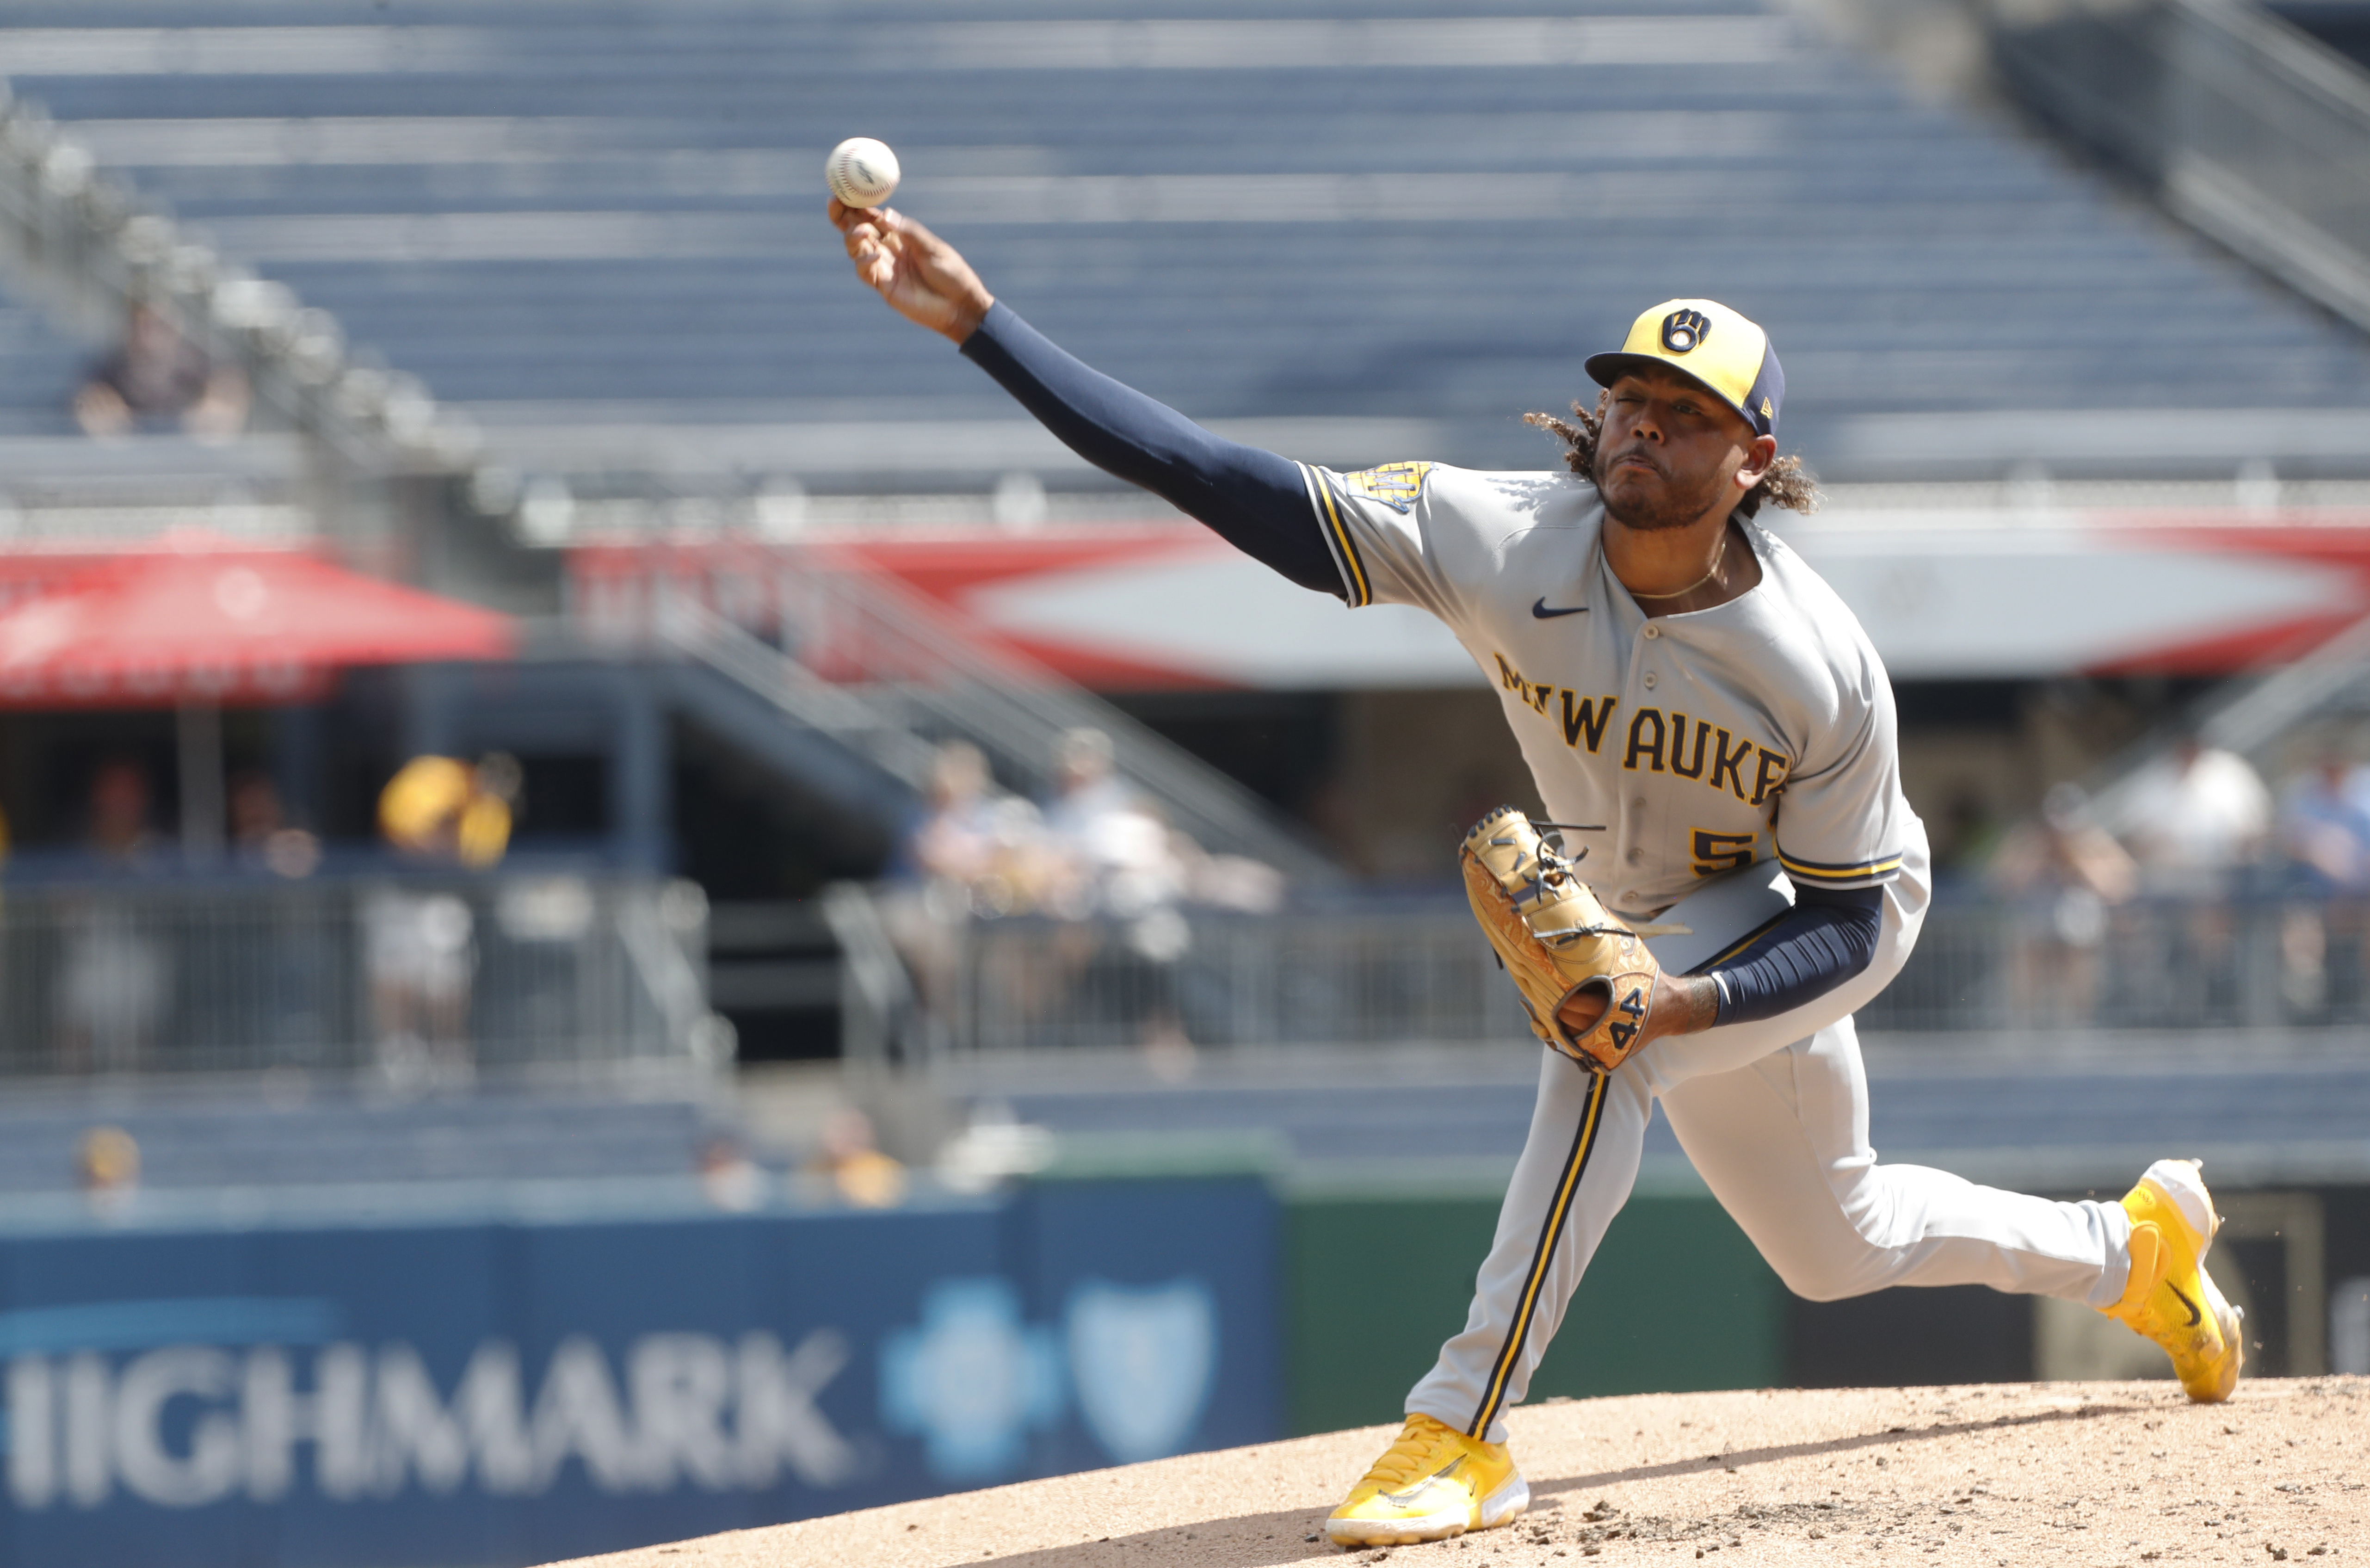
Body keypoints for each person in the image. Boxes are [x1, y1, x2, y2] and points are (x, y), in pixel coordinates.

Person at [832, 197, 2246, 1546]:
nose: (1644, 426)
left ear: (1751, 458)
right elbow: (1213, 475)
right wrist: (981, 325)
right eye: (1632, 398)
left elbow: (1855, 914)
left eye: (1686, 415)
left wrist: (1680, 1002)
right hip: (1628, 903)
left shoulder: (1816, 666)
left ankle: (1461, 1425)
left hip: (1794, 914)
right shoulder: (1503, 533)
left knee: (1602, 1046)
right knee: (1839, 1238)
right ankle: (2130, 1250)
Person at [73, 302, 249, 442]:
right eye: (142, 327)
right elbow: (84, 403)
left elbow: (232, 392)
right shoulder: (107, 371)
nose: (150, 339)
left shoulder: (206, 367)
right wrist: (94, 411)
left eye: (161, 327)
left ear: (178, 328)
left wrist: (226, 406)